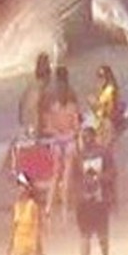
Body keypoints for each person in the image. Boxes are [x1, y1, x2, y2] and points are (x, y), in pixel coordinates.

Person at [75, 126, 116, 255]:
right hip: (84, 201)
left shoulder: (104, 153)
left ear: (94, 137)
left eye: (88, 137)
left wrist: (100, 179)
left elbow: (112, 173)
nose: (86, 140)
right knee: (84, 235)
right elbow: (73, 178)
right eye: (83, 137)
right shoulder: (77, 156)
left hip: (100, 199)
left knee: (102, 234)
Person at [44, 78, 81, 221]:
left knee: (54, 176)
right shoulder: (72, 107)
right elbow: (76, 127)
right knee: (66, 176)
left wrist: (58, 133)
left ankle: (48, 207)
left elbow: (49, 128)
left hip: (57, 141)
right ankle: (64, 209)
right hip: (70, 140)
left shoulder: (54, 108)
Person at [18, 52, 52, 137]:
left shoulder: (31, 88)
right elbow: (36, 113)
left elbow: (22, 113)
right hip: (34, 131)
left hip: (28, 129)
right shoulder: (38, 91)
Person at [89, 64, 123, 148]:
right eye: (98, 76)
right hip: (102, 123)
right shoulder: (104, 90)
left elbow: (100, 106)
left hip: (107, 123)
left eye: (101, 76)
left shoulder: (109, 90)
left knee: (105, 148)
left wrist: (92, 102)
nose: (99, 79)